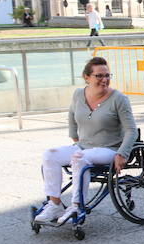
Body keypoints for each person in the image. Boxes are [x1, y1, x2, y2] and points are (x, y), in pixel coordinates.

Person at [34, 57, 136, 224]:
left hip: (110, 149)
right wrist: (75, 137)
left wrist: (122, 153)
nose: (104, 80)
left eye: (107, 75)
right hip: (83, 146)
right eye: (99, 76)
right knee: (49, 155)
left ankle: (76, 206)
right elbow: (72, 116)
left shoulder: (119, 99)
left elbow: (131, 130)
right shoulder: (78, 94)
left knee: (79, 158)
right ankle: (54, 204)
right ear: (86, 77)